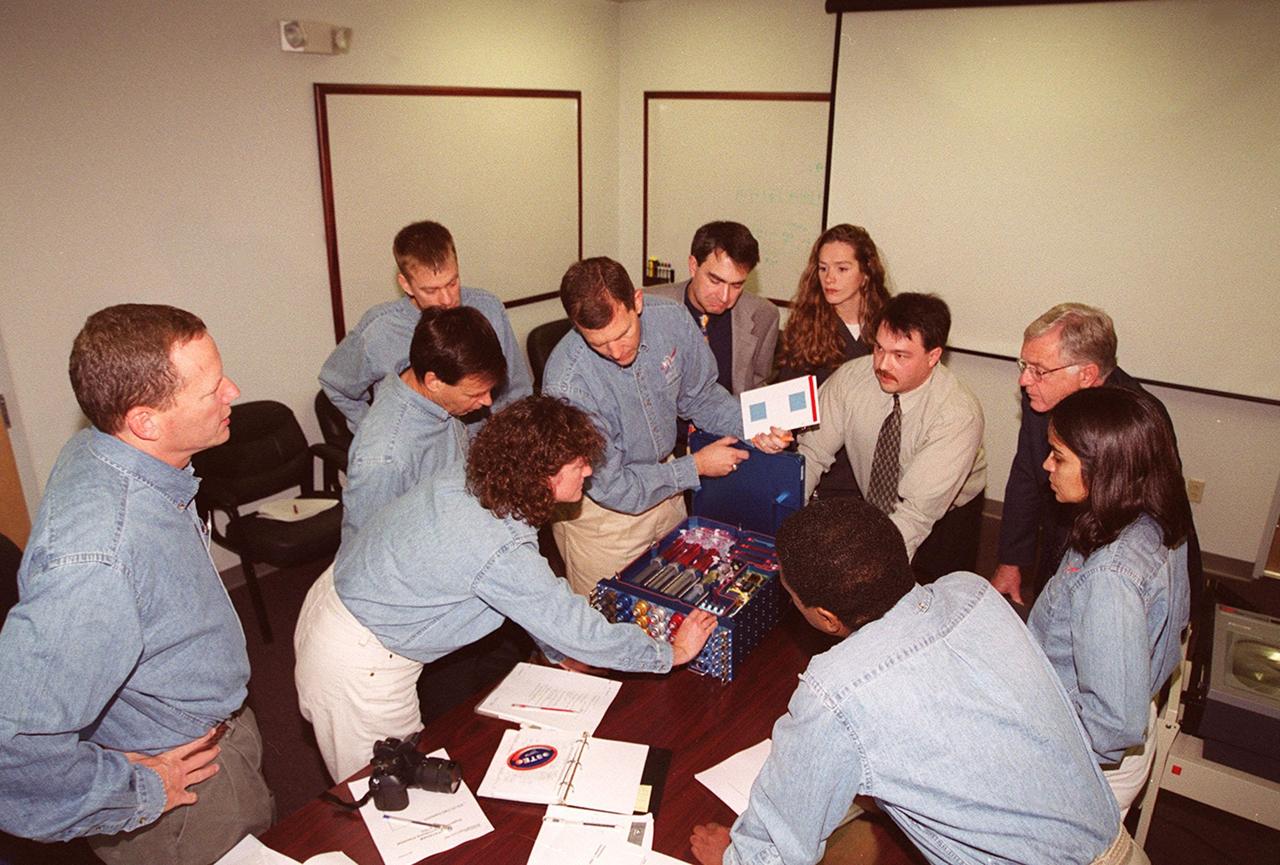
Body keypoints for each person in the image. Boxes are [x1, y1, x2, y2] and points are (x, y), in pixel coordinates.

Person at [689, 497, 1142, 865]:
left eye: (792, 597)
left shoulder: (834, 691)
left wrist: (732, 856)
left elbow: (777, 850)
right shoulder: (972, 590)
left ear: (827, 619)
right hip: (1120, 847)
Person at [293, 396, 718, 782]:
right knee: (386, 788)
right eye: (579, 463)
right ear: (543, 474)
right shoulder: (498, 542)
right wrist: (671, 654)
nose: (589, 470)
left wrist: (557, 651)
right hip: (357, 662)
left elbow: (522, 595)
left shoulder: (476, 477)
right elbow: (572, 624)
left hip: (335, 599)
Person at [0, 305, 273, 865]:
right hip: (186, 796)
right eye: (212, 389)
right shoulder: (98, 561)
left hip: (210, 741)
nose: (233, 391)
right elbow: (14, 745)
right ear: (145, 421)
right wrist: (140, 790)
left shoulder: (106, 450)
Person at [541, 257, 790, 596]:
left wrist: (755, 428)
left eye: (623, 332)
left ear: (638, 302)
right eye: (598, 343)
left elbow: (701, 397)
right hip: (604, 517)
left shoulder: (671, 320)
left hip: (666, 486)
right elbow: (614, 486)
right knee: (610, 623)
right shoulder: (568, 384)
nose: (615, 351)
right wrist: (697, 467)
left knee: (680, 599)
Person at [1028, 387, 1191, 815]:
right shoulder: (1152, 519)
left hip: (1083, 769)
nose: (1047, 465)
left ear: (1106, 469)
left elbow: (1112, 725)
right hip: (1127, 736)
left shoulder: (1110, 576)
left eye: (1059, 457)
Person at [797, 293, 986, 582]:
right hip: (874, 504)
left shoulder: (957, 414)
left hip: (944, 514)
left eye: (900, 356)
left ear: (933, 356)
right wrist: (789, 524)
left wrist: (867, 568)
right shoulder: (851, 379)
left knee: (933, 595)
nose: (883, 365)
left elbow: (915, 515)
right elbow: (811, 454)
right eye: (879, 349)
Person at [319, 219, 532, 430]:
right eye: (431, 290)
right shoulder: (379, 330)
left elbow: (515, 388)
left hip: (481, 443)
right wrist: (375, 430)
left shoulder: (488, 307)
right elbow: (335, 383)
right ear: (406, 284)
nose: (448, 299)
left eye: (452, 282)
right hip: (421, 453)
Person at [340, 305, 506, 540]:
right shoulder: (385, 459)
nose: (487, 401)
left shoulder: (434, 394)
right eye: (474, 394)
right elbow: (362, 550)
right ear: (434, 381)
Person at [775, 224, 891, 499]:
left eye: (842, 269)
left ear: (865, 273)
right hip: (824, 470)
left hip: (876, 465)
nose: (830, 279)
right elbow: (786, 407)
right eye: (823, 268)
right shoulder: (805, 325)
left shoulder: (890, 324)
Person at [647, 221, 778, 395]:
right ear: (693, 266)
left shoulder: (763, 315)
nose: (724, 297)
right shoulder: (649, 308)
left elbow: (757, 387)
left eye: (737, 285)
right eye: (715, 281)